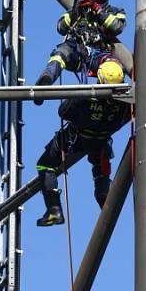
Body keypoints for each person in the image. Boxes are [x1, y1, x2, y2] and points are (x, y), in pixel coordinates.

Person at [36, 58, 130, 226]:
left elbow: (63, 112)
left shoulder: (87, 95)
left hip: (77, 139)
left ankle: (54, 210)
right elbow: (129, 116)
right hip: (102, 140)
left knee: (45, 164)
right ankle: (106, 202)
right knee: (101, 168)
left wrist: (80, 96)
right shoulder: (125, 102)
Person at [35, 0, 131, 104]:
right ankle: (45, 81)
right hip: (78, 52)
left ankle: (104, 102)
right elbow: (60, 27)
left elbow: (117, 27)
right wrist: (76, 12)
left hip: (100, 54)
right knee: (61, 51)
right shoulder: (81, 8)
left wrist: (97, 10)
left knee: (113, 71)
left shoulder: (116, 11)